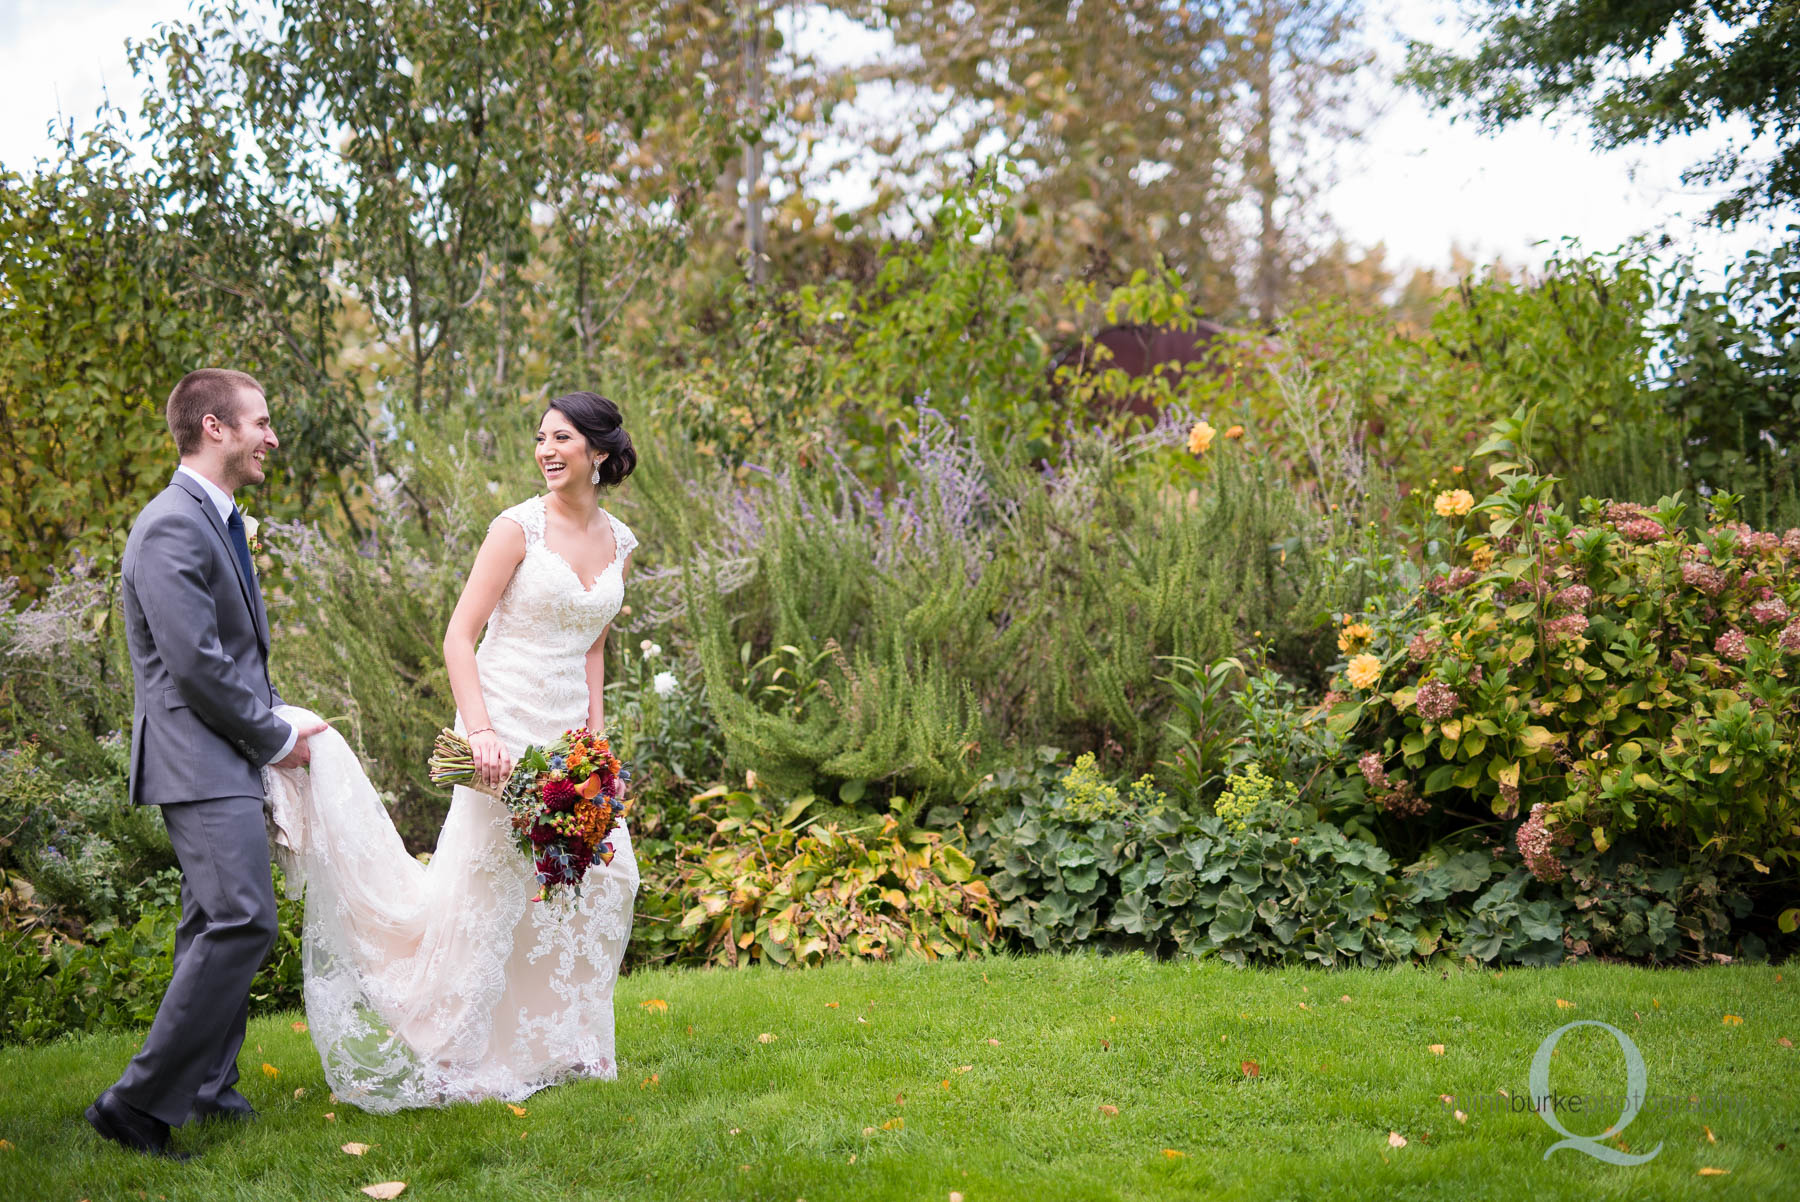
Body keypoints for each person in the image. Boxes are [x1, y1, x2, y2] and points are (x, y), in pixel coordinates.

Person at [262, 391, 641, 1112]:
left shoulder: (621, 541)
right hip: (500, 727)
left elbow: (594, 644)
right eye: (540, 438)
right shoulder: (515, 529)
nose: (547, 451)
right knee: (488, 890)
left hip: (569, 739)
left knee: (602, 878)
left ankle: (561, 1041)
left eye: (562, 438)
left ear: (598, 449)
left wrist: (597, 739)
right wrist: (483, 733)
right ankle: (459, 1055)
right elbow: (457, 636)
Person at [88, 369, 329, 1158]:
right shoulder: (171, 526)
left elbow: (227, 653)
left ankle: (204, 1086)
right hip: (197, 758)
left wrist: (270, 712)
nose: (271, 436)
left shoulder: (213, 519)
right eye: (260, 422)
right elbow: (192, 664)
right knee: (241, 918)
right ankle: (135, 1104)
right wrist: (271, 737)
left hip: (220, 751)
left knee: (209, 923)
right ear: (215, 428)